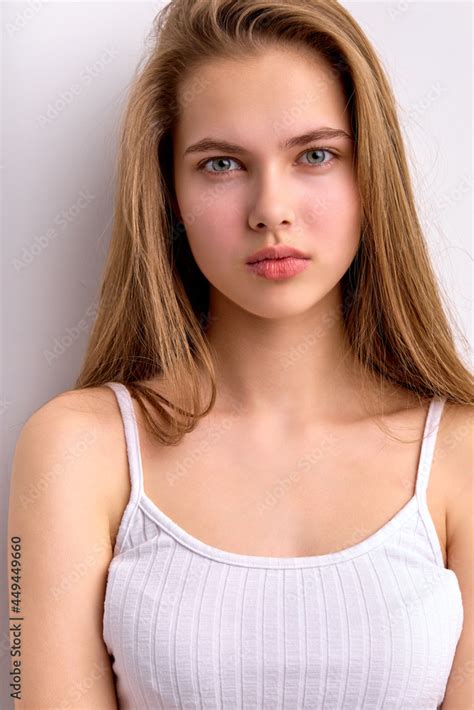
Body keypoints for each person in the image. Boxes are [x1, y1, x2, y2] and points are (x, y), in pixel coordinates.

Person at [8, 0, 473, 708]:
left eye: (315, 155)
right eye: (222, 164)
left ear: (370, 175)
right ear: (168, 194)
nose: (271, 209)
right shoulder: (77, 450)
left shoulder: (462, 456)